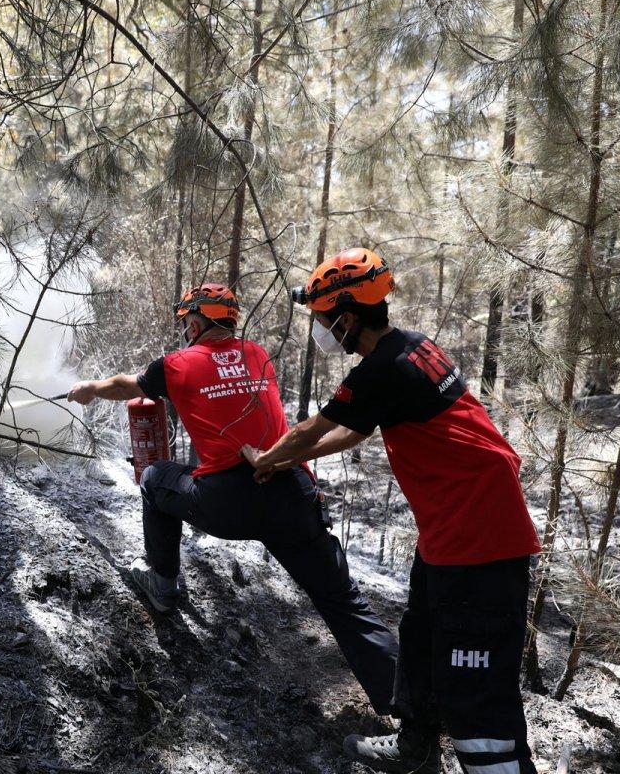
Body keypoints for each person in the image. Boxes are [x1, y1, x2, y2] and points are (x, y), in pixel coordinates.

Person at [243, 248, 542, 774]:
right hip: (450, 529)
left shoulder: (381, 370)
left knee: (476, 693)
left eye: (321, 316)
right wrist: (287, 461)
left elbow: (313, 429)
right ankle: (415, 747)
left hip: (481, 536)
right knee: (421, 639)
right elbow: (352, 432)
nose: (319, 328)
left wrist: (267, 458)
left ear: (347, 317)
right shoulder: (413, 346)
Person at [67, 283, 399, 717]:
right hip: (290, 492)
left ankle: (162, 586)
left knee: (153, 477)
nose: (185, 331)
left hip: (227, 502)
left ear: (196, 322)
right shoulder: (257, 354)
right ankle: (408, 709)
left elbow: (126, 386)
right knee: (344, 602)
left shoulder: (176, 364)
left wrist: (91, 387)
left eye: (187, 323)